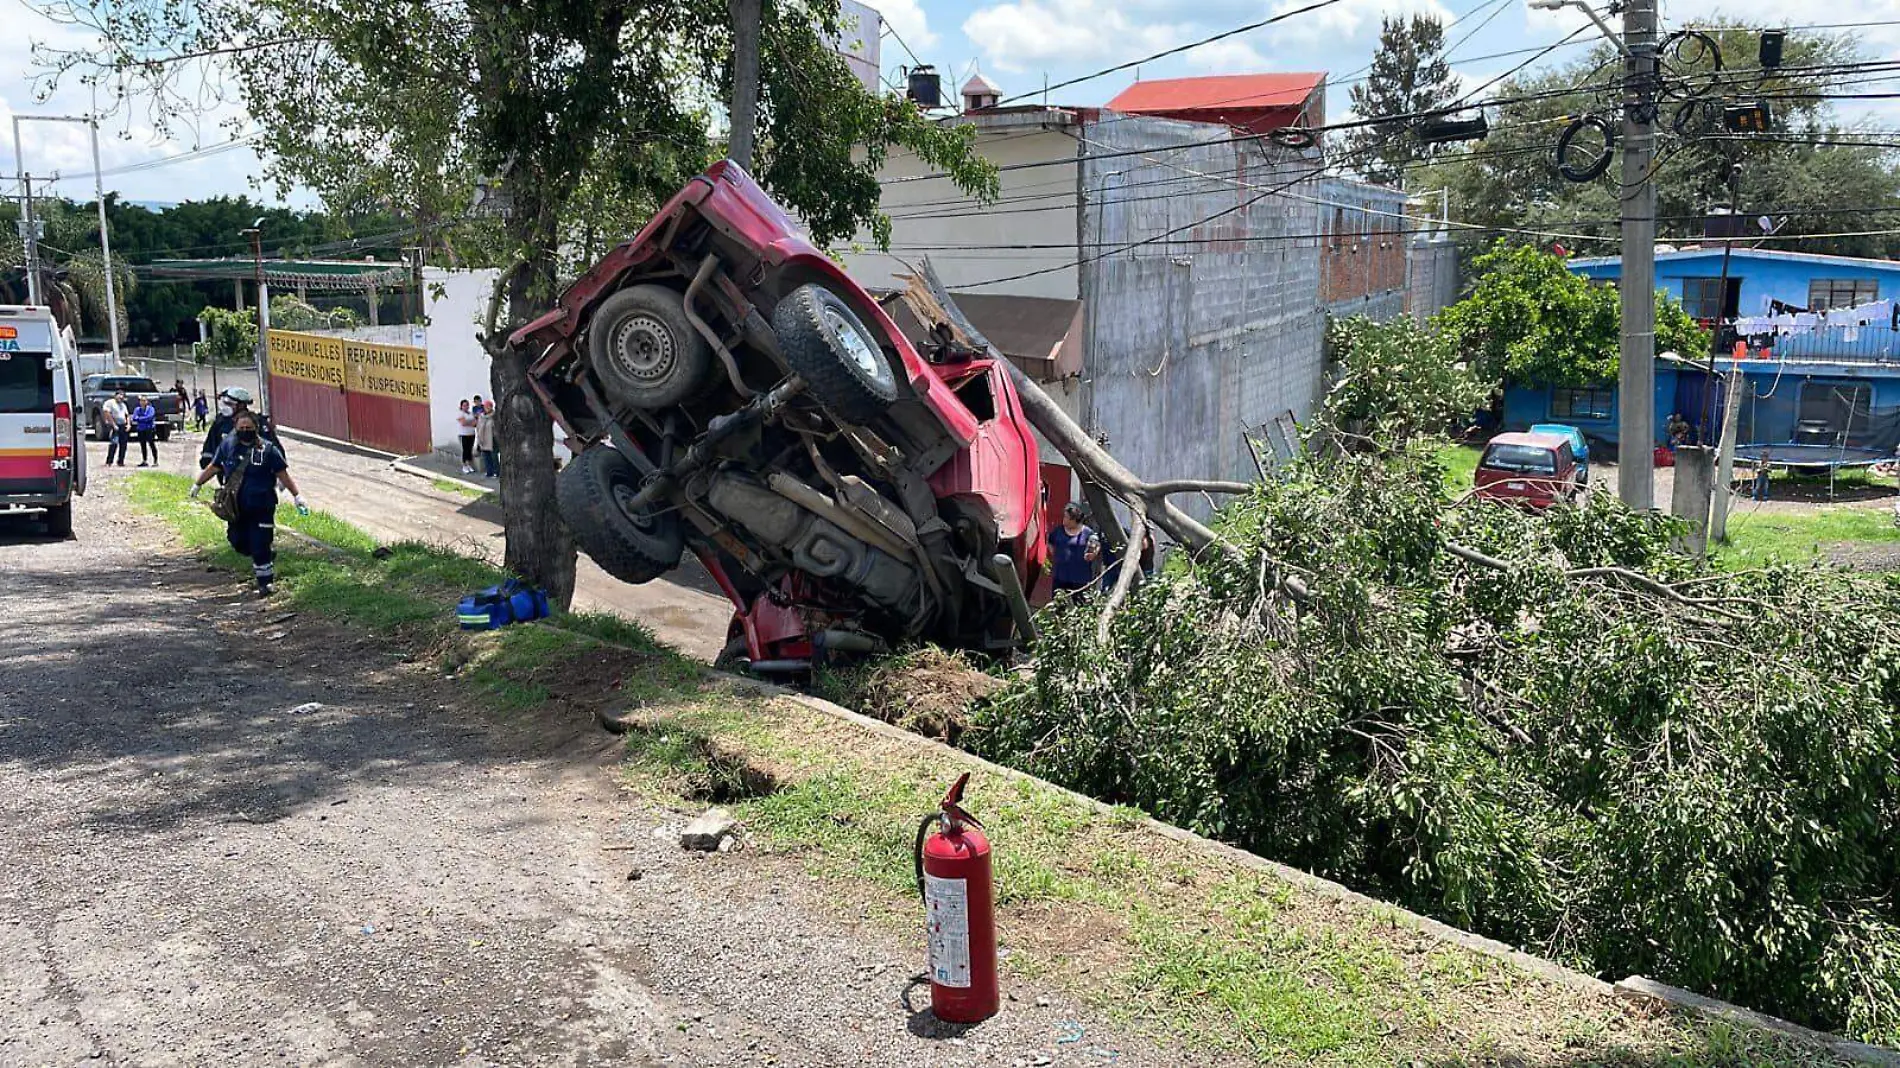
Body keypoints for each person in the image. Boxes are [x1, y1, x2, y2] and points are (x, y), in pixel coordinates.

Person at [189, 411, 307, 597]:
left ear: (256, 429)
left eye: (249, 428)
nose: (245, 431)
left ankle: (265, 583)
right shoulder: (228, 446)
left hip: (262, 506)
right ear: (236, 428)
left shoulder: (268, 450)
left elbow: (282, 473)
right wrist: (198, 483)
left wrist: (297, 496)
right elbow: (214, 466)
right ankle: (263, 555)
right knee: (238, 541)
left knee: (260, 545)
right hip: (237, 508)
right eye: (241, 428)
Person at [198, 387, 280, 475]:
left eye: (229, 404)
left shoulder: (258, 423)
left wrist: (278, 472)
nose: (225, 407)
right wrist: (207, 462)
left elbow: (274, 448)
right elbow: (210, 445)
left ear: (241, 405)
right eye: (225, 403)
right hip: (227, 476)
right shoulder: (220, 422)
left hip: (257, 475)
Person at [1046, 502, 1098, 597]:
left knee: (1080, 605)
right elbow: (1049, 542)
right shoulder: (1058, 531)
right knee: (1058, 606)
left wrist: (1093, 553)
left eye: (1066, 517)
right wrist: (1055, 554)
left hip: (1080, 579)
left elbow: (1096, 545)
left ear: (1074, 520)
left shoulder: (1087, 533)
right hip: (1060, 577)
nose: (1063, 520)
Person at [100, 389, 130, 467]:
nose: (121, 397)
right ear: (115, 395)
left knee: (123, 444)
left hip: (123, 425)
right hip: (114, 425)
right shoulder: (110, 403)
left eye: (123, 396)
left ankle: (120, 461)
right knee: (114, 443)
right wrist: (113, 425)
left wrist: (128, 424)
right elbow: (107, 413)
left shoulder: (123, 405)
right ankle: (109, 461)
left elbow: (127, 415)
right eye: (120, 395)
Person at [131, 395, 159, 467]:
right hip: (140, 429)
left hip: (149, 429)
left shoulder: (151, 409)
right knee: (143, 445)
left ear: (147, 401)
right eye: (141, 401)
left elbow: (149, 417)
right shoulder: (137, 409)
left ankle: (155, 461)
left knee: (151, 444)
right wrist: (143, 419)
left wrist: (139, 419)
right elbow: (134, 418)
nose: (142, 402)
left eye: (144, 400)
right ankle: (144, 460)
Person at [476, 399, 499, 479]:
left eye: (489, 406)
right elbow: (478, 426)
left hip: (492, 440)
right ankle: (489, 472)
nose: (487, 408)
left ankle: (497, 472)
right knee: (486, 457)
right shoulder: (481, 416)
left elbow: (496, 428)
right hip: (483, 439)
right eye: (486, 406)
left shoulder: (494, 416)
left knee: (494, 457)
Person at [456, 398, 478, 474]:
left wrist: (470, 422)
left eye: (467, 405)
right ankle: (464, 465)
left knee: (470, 450)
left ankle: (469, 465)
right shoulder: (460, 413)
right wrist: (470, 422)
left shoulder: (471, 413)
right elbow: (463, 423)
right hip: (463, 434)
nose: (466, 407)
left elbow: (475, 423)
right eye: (464, 405)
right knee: (465, 450)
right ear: (461, 406)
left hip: (471, 434)